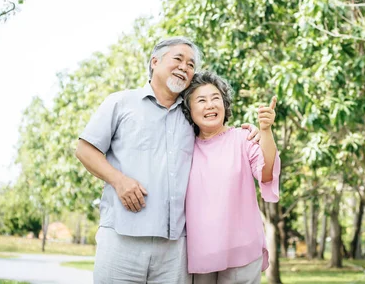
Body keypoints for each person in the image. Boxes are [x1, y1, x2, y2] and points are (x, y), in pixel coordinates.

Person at [75, 37, 259, 284]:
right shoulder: (121, 103)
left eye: (191, 64)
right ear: (155, 62)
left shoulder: (192, 114)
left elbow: (218, 138)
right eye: (178, 59)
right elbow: (85, 150)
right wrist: (118, 180)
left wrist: (255, 134)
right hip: (122, 237)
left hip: (175, 248)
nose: (185, 67)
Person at [182, 71, 281, 284]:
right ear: (189, 109)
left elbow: (266, 173)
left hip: (242, 251)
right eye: (201, 100)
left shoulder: (243, 138)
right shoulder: (183, 147)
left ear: (225, 104)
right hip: (199, 252)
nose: (210, 105)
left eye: (215, 98)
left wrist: (265, 131)